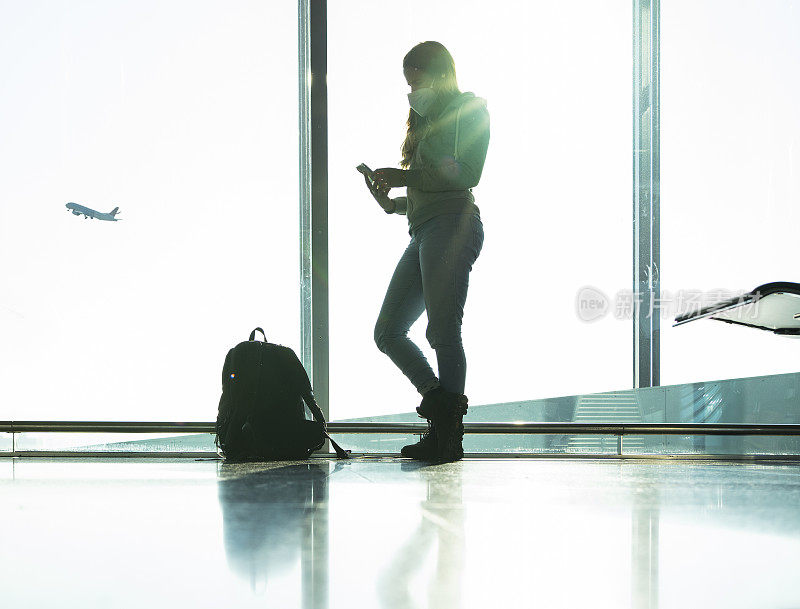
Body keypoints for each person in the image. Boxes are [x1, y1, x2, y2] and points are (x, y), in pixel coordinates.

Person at [365, 41, 490, 463]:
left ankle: (446, 437)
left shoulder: (469, 111)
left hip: (452, 225)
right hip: (422, 230)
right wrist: (393, 202)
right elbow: (426, 184)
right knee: (388, 332)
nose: (411, 89)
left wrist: (401, 178)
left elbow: (466, 173)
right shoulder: (421, 122)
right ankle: (440, 405)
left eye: (414, 78)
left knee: (441, 330)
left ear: (436, 72)